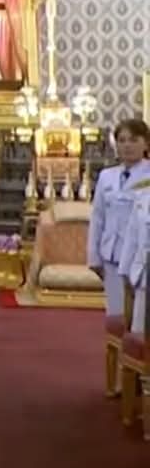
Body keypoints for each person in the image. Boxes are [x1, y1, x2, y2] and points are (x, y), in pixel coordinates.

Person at [90, 118, 150, 340]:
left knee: (139, 322)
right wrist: (94, 257)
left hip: (141, 260)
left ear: (146, 144)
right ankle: (117, 368)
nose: (127, 145)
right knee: (115, 319)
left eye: (133, 140)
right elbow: (98, 218)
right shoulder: (107, 176)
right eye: (122, 140)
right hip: (112, 255)